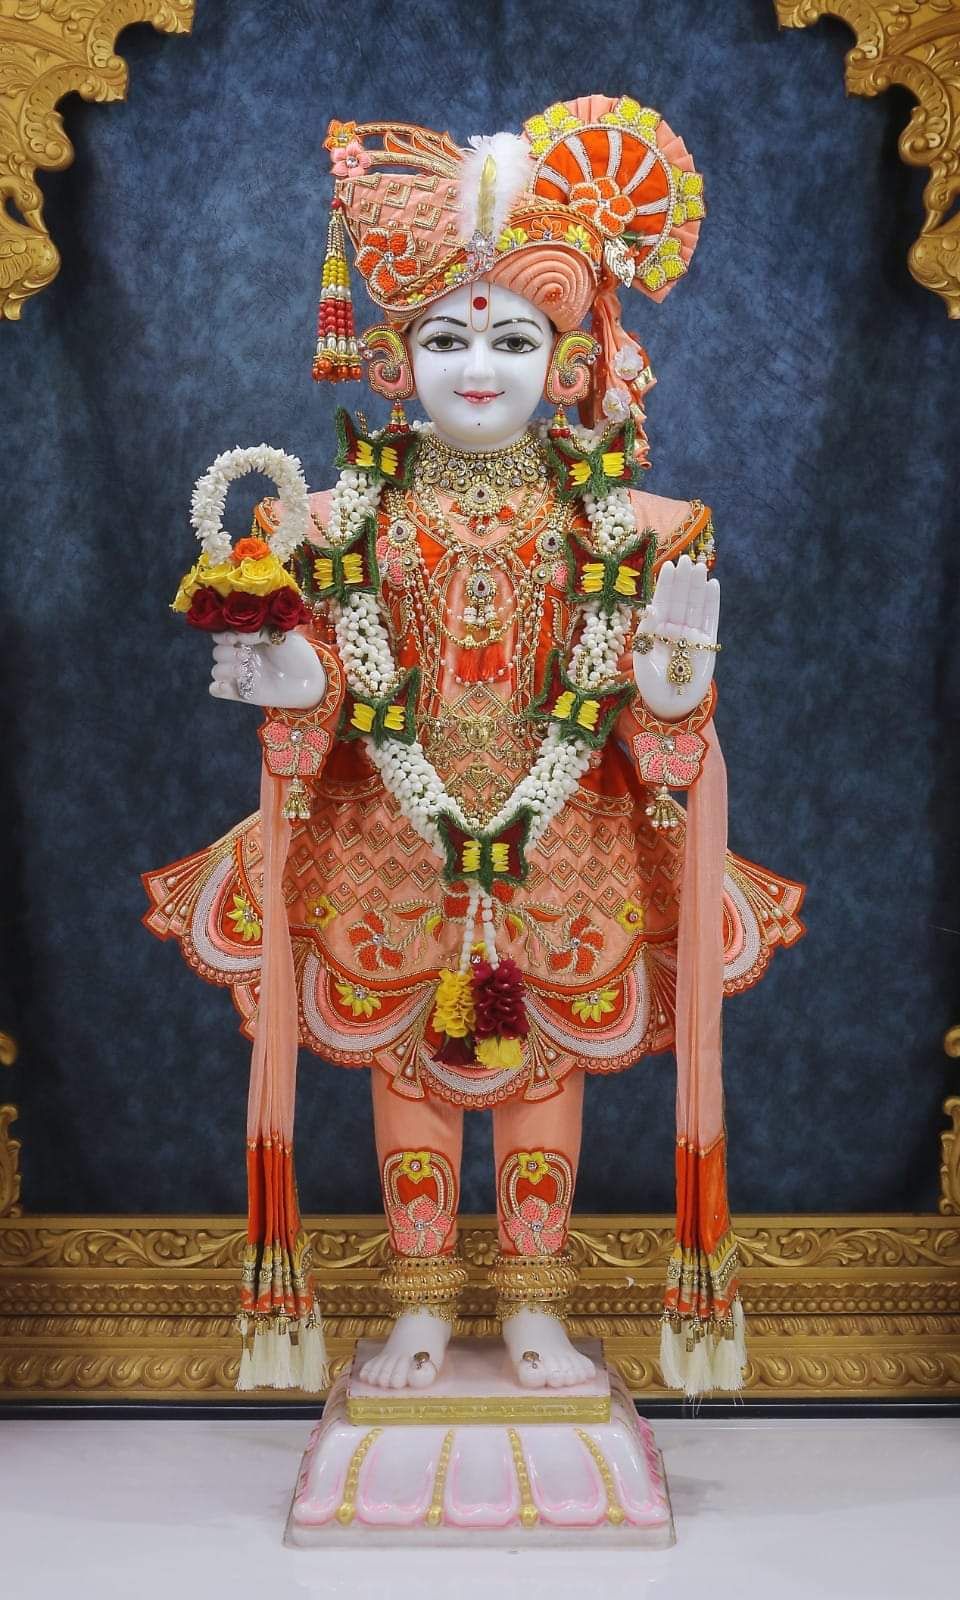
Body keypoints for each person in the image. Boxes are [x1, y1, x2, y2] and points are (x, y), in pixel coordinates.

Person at [143, 94, 804, 1398]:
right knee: (418, 1068)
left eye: (511, 336)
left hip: (566, 843)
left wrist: (675, 695)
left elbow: (660, 714)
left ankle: (543, 1310)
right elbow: (319, 684)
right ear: (394, 362)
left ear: (568, 362)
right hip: (392, 836)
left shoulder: (633, 528)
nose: (479, 366)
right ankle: (425, 1310)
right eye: (447, 338)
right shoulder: (342, 519)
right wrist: (275, 664)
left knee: (546, 1059)